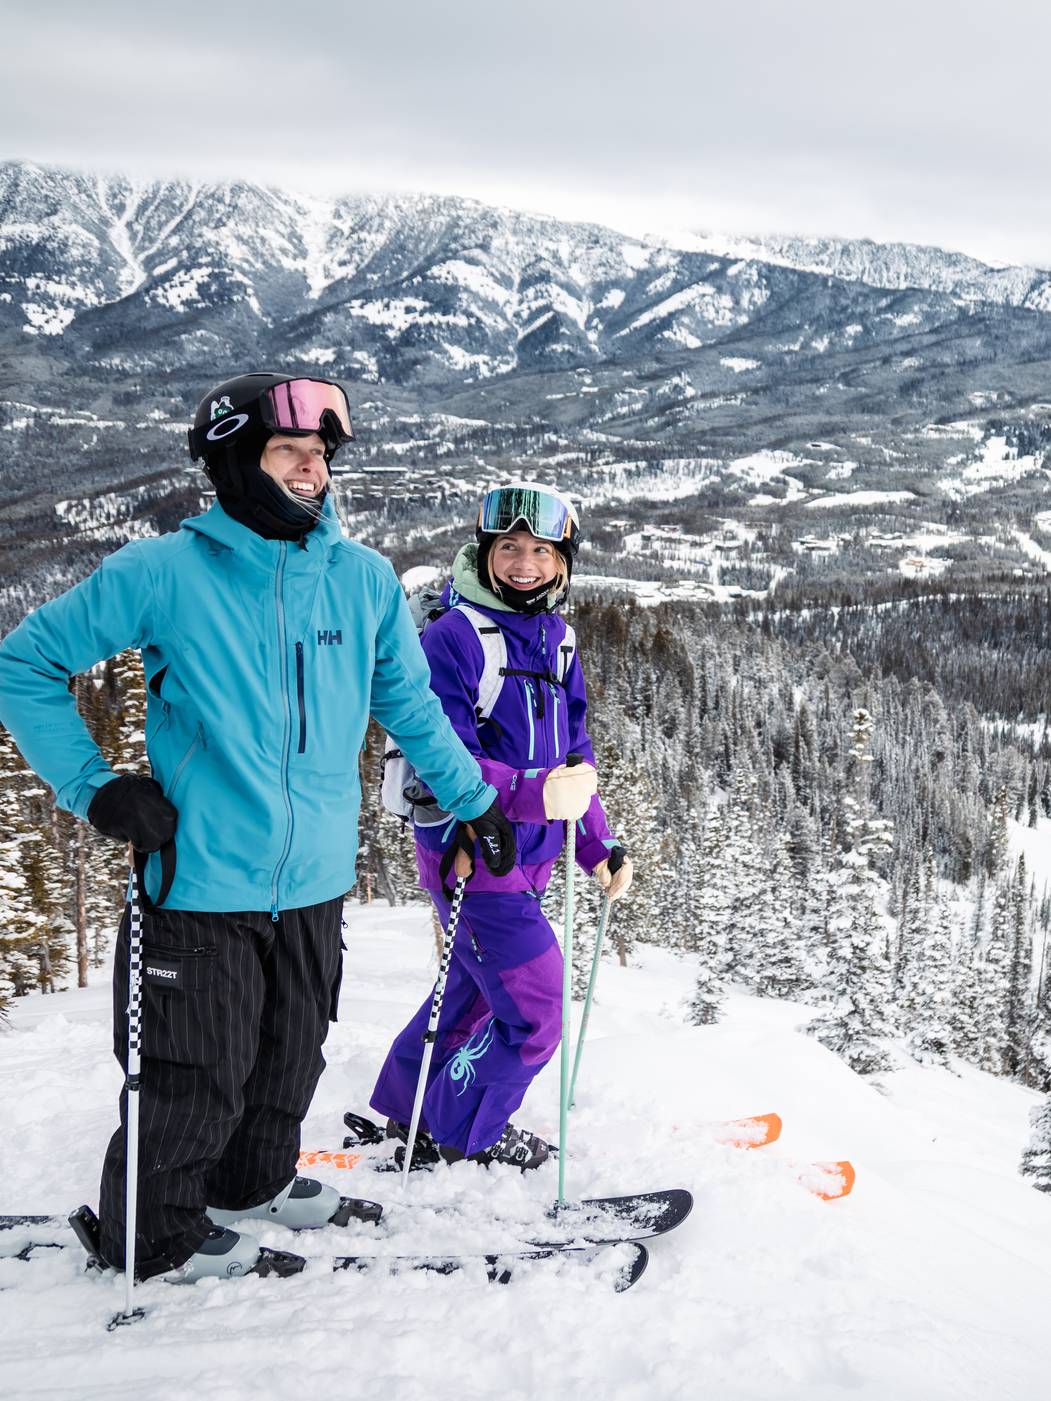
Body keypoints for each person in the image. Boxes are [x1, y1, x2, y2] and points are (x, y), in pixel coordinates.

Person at [0, 373, 515, 1281]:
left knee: (288, 1055)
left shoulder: (359, 580)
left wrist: (473, 799)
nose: (313, 473)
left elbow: (409, 703)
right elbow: (25, 663)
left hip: (313, 878)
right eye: (291, 454)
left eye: (321, 456)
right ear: (236, 463)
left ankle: (250, 1180)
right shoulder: (162, 571)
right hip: (198, 878)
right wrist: (95, 788)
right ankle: (150, 1230)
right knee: (194, 1069)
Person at [370, 482, 633, 1169]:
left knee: (471, 988)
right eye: (509, 547)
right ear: (483, 552)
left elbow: (574, 752)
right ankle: (463, 1130)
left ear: (563, 562)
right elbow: (440, 754)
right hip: (471, 851)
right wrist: (532, 793)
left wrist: (598, 846)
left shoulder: (558, 637)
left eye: (542, 551)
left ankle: (410, 1103)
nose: (524, 563)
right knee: (536, 1007)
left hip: (535, 852)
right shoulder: (453, 637)